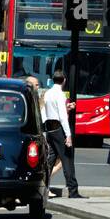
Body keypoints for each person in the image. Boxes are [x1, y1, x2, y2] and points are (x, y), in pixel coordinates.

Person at [41, 69, 80, 199]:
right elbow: (62, 117)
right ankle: (73, 190)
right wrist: (68, 135)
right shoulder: (60, 94)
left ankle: (43, 186)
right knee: (67, 159)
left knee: (50, 159)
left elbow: (47, 112)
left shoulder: (48, 93)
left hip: (49, 129)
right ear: (64, 80)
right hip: (59, 129)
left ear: (53, 80)